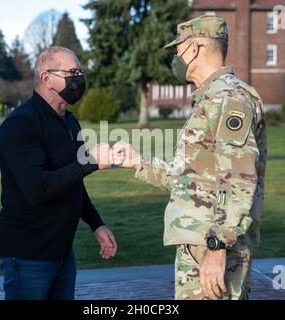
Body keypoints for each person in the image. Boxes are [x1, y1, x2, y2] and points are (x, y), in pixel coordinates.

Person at [112, 15, 267, 300]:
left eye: (177, 50)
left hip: (214, 250)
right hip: (201, 247)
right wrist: (138, 162)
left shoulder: (228, 97)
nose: (176, 58)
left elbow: (239, 181)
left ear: (193, 48)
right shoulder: (210, 98)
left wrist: (217, 248)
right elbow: (191, 180)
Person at [0, 46, 117, 300]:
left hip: (62, 253)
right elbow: (37, 188)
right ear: (46, 78)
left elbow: (73, 181)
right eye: (72, 71)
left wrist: (96, 224)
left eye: (80, 72)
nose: (79, 78)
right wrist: (92, 161)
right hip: (27, 255)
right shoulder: (20, 125)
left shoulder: (69, 122)